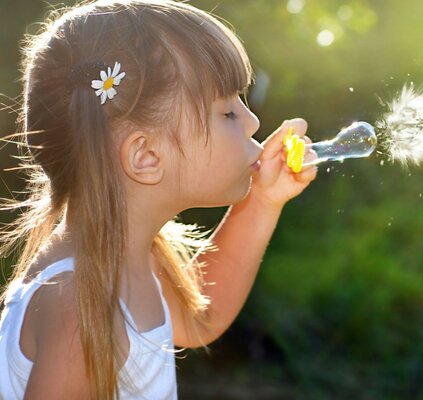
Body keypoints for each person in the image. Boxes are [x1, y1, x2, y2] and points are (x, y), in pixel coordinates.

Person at [0, 0, 317, 398]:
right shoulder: (75, 311)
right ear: (146, 157)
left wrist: (262, 201)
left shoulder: (128, 257)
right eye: (229, 112)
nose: (252, 121)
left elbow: (200, 318)